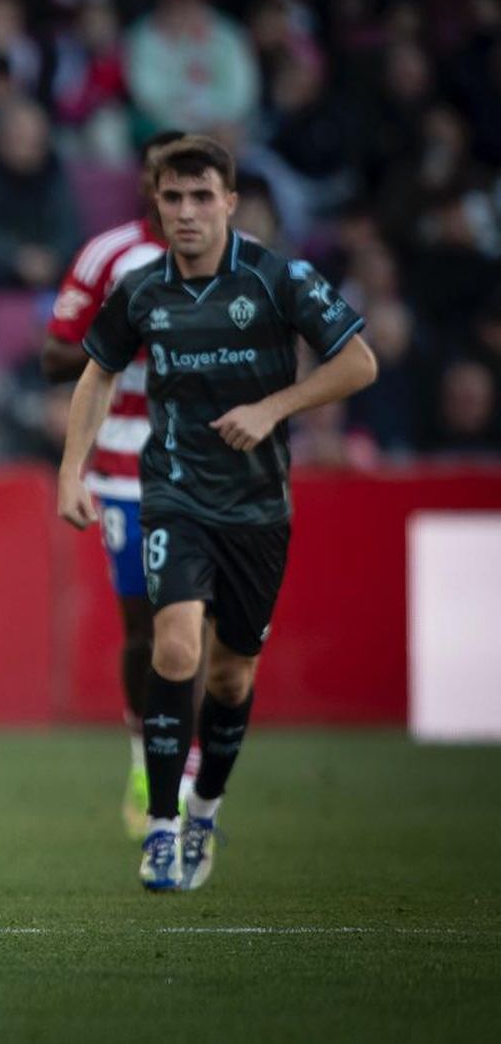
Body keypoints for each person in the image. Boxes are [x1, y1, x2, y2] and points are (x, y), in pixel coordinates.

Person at [56, 136, 378, 892]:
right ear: (157, 205)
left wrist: (275, 407)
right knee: (173, 648)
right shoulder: (140, 289)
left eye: (203, 197)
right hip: (173, 491)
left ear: (230, 202)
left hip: (258, 505)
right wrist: (70, 471)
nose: (187, 213)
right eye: (173, 199)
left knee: (232, 678)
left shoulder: (277, 278)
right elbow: (94, 375)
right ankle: (163, 829)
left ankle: (205, 808)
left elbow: (359, 361)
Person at [41, 130, 201, 839]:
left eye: (197, 188)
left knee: (194, 628)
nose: (182, 202)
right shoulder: (112, 257)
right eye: (169, 184)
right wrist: (126, 335)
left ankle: (185, 764)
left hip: (209, 466)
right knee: (146, 628)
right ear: (147, 185)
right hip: (128, 465)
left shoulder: (242, 265)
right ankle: (149, 757)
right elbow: (53, 355)